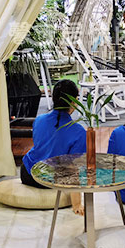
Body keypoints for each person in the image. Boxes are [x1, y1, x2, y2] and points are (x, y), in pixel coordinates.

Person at [21, 79, 85, 215]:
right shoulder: (78, 132)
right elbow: (74, 170)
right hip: (50, 180)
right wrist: (77, 203)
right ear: (74, 101)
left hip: (27, 173)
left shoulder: (39, 120)